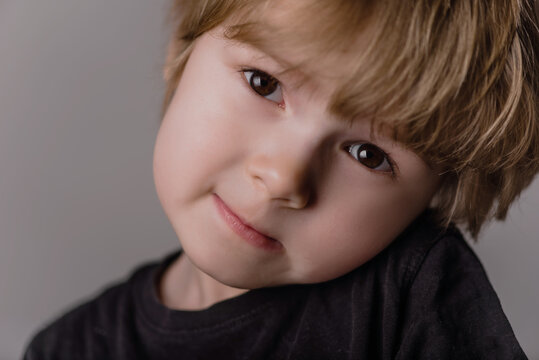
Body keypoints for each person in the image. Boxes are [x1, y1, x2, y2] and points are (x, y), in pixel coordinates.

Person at [23, 0, 538, 359]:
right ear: (182, 53)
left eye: (367, 154)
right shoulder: (70, 347)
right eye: (263, 83)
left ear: (435, 196)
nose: (281, 178)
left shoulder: (411, 299)